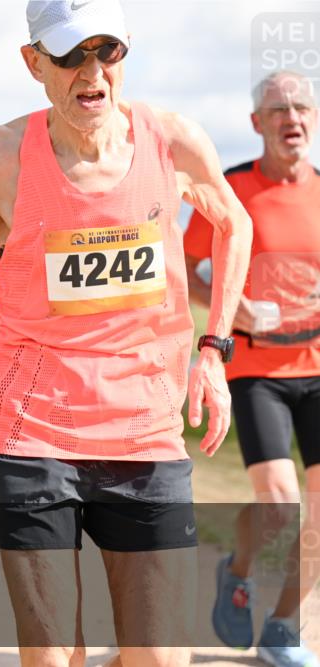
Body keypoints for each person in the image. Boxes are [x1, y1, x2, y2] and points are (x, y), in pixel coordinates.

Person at [0, 2, 256, 664]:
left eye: (108, 52)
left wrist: (214, 351)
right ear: (34, 63)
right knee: (52, 655)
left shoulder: (172, 141)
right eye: (69, 55)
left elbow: (235, 224)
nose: (91, 72)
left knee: (159, 655)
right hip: (31, 433)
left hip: (145, 431)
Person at [184, 70, 319, 667]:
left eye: (303, 108)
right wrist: (232, 307)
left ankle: (284, 628)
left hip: (318, 363)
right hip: (256, 368)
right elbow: (183, 265)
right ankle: (237, 572)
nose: (293, 117)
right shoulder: (230, 188)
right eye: (279, 108)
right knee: (279, 504)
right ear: (256, 123)